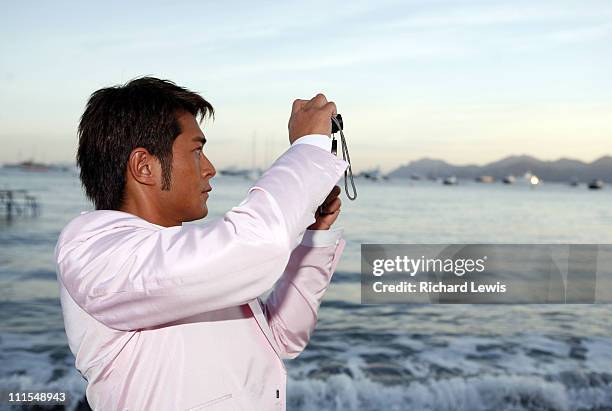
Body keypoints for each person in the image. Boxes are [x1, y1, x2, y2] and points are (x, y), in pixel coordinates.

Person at [54, 77, 349, 410]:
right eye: (196, 151)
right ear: (144, 167)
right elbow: (256, 243)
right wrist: (307, 147)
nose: (210, 169)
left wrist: (313, 237)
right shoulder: (93, 249)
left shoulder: (183, 257)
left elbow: (281, 337)